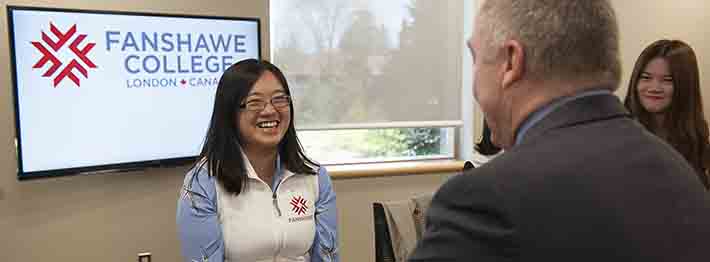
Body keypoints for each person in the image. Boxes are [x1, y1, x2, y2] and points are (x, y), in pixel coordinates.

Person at [409, 1, 710, 261]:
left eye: (475, 58)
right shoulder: (680, 174)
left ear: (511, 62)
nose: (473, 84)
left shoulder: (484, 201)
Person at [176, 59, 339, 262]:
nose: (270, 110)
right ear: (230, 112)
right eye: (255, 102)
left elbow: (327, 257)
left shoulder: (314, 177)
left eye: (279, 99)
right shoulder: (202, 184)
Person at [624, 39, 710, 189]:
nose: (654, 87)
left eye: (667, 80)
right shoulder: (620, 134)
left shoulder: (698, 142)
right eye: (646, 78)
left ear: (685, 86)